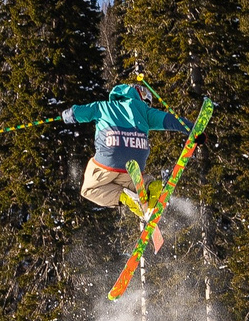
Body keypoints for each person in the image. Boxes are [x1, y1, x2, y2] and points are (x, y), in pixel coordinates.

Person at [59, 83, 192, 252]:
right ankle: (152, 189)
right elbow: (170, 121)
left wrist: (66, 116)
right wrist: (191, 129)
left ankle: (128, 199)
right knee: (140, 183)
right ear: (140, 96)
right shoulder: (144, 111)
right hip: (134, 162)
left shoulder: (103, 107)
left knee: (89, 189)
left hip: (107, 162)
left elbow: (76, 113)